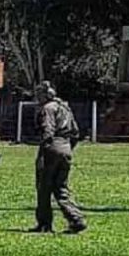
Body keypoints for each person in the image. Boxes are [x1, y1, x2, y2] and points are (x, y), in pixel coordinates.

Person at [30, 81, 87, 234]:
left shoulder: (48, 108)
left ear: (45, 95)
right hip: (66, 147)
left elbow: (48, 130)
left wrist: (46, 148)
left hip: (52, 147)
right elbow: (75, 132)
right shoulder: (65, 108)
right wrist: (67, 148)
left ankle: (44, 224)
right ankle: (76, 219)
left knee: (44, 187)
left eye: (39, 94)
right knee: (61, 187)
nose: (37, 98)